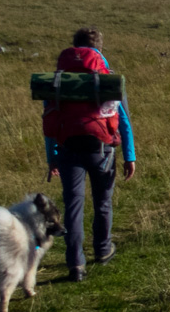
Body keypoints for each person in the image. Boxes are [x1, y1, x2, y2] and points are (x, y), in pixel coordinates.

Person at [42, 27, 137, 281]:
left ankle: (76, 265)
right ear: (100, 50)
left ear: (75, 48)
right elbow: (124, 119)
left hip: (68, 148)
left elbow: (50, 119)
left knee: (73, 206)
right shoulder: (109, 79)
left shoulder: (59, 80)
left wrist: (52, 156)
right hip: (101, 149)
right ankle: (103, 251)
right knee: (102, 202)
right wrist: (130, 155)